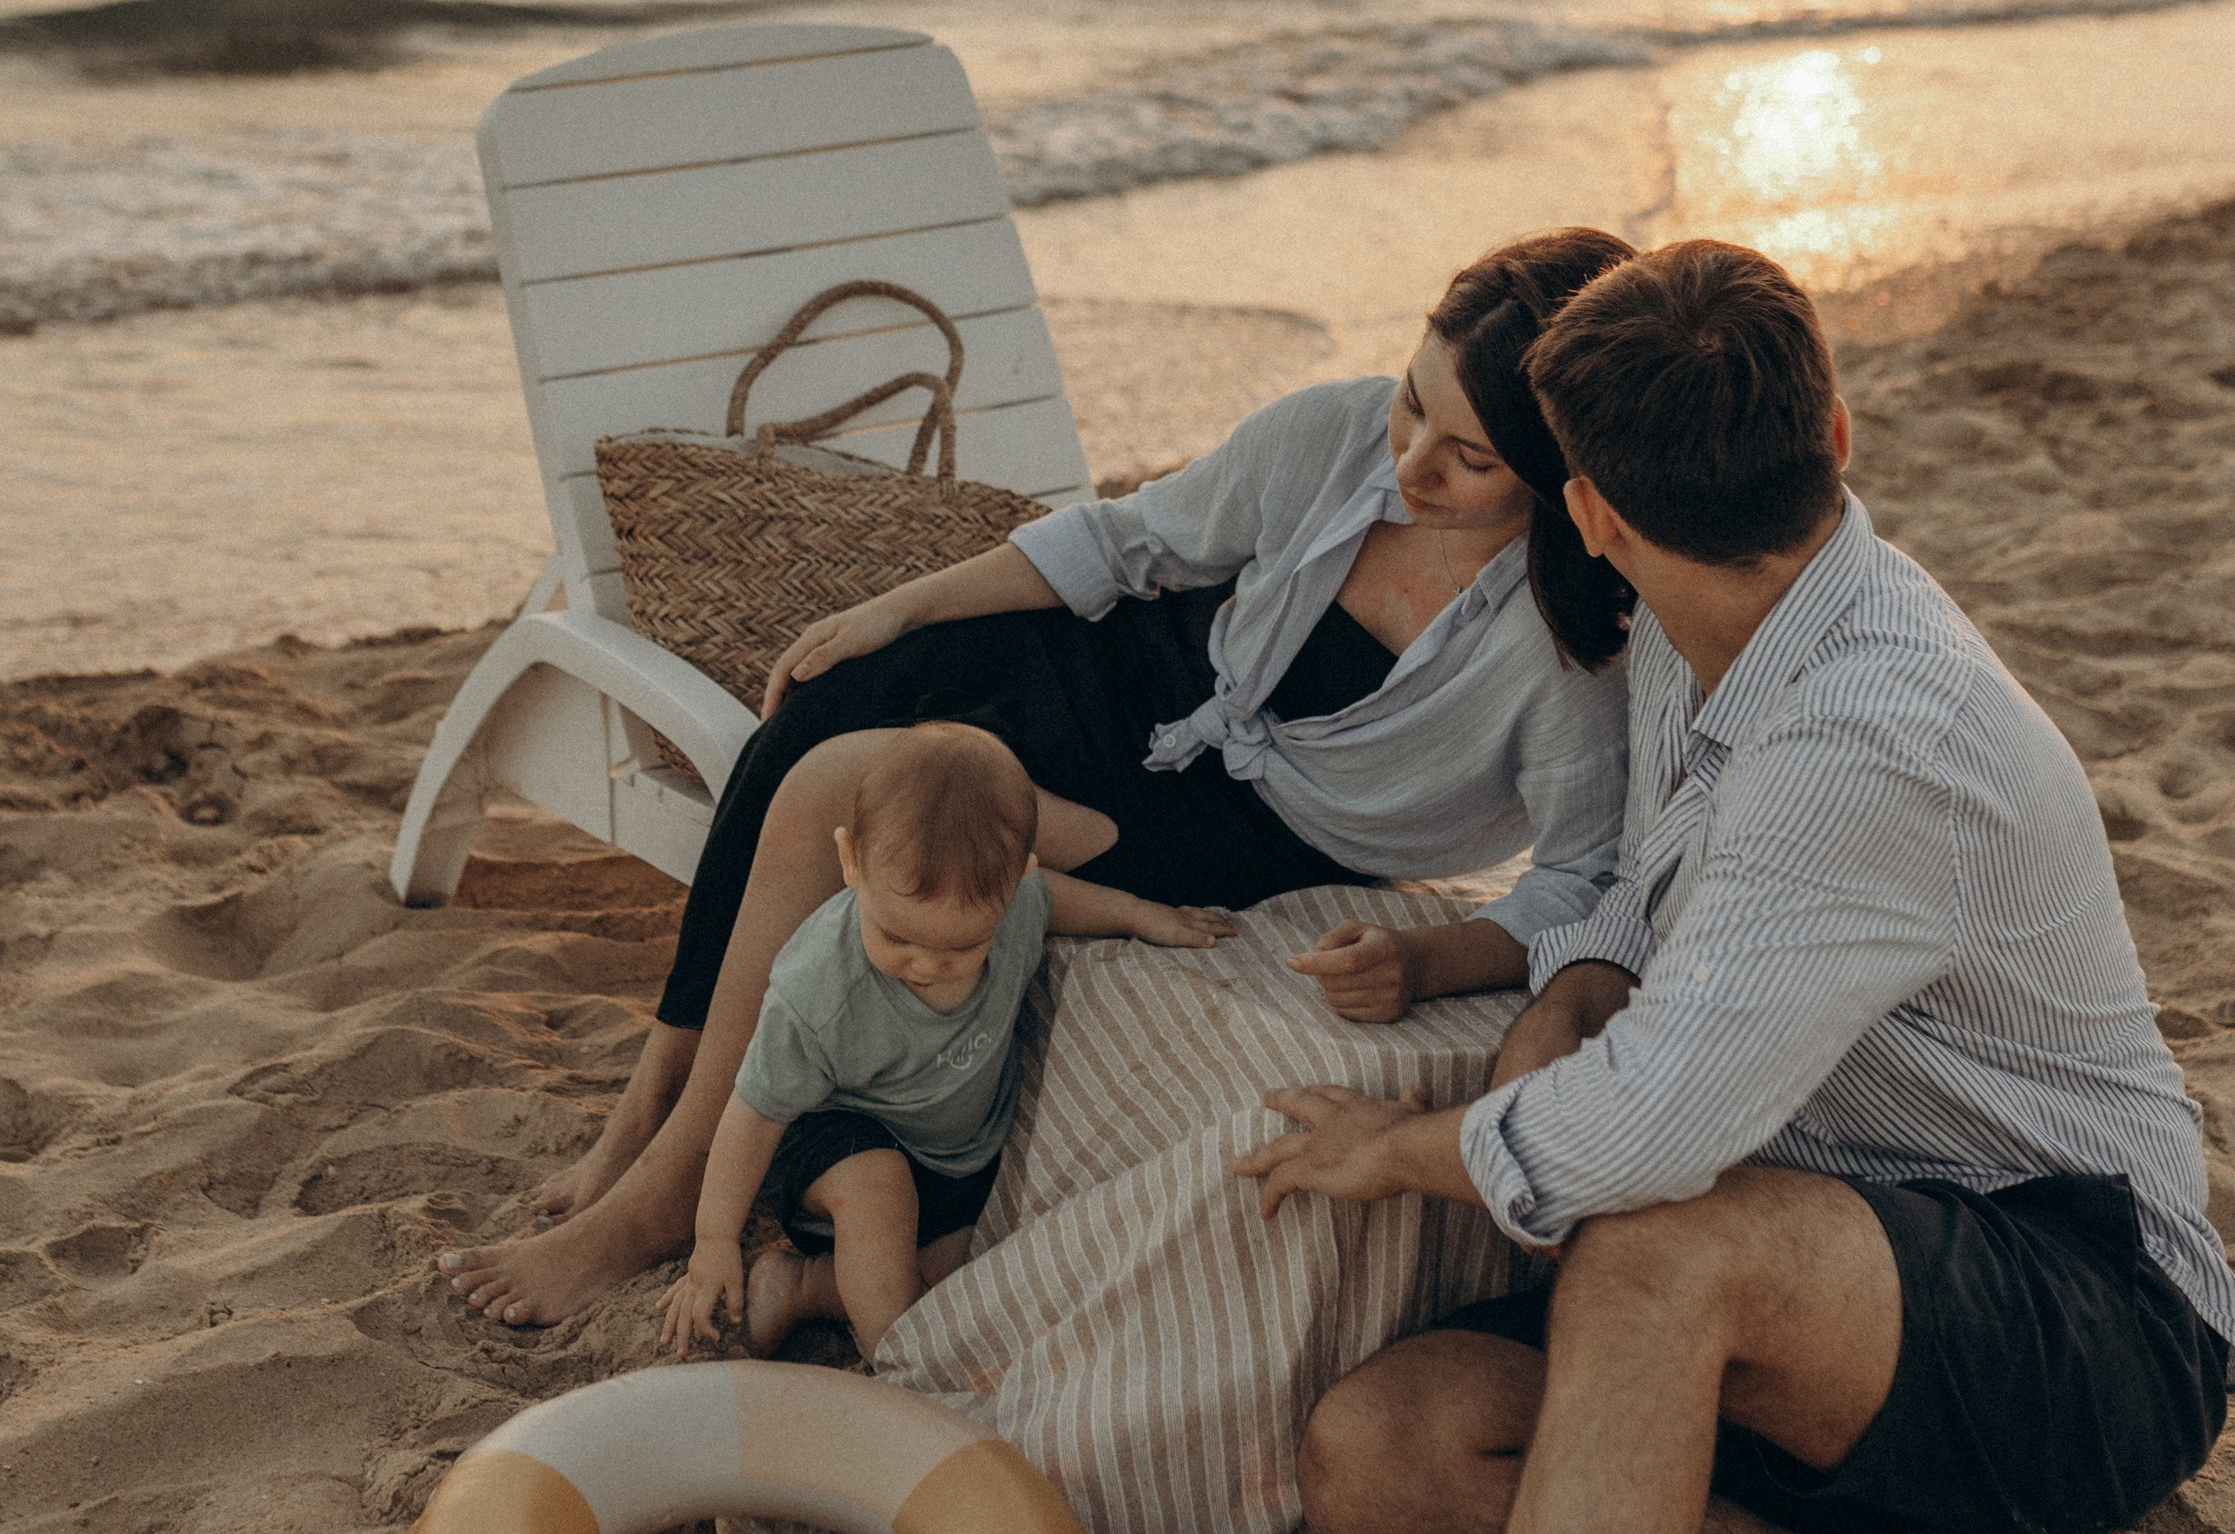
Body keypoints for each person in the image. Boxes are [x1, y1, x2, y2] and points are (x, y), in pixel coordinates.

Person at [1079, 237, 2232, 1534]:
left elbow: (1642, 1140)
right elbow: (1618, 891)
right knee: (1382, 1463)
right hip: (1847, 1290)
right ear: (1831, 437)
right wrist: (1563, 986)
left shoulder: (1866, 737)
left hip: (2076, 1311)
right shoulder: (1710, 631)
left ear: (1589, 514)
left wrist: (1410, 1149)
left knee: (1651, 1248)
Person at [441, 229, 1639, 1330]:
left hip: (1239, 830)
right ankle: (650, 1115)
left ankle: (661, 1193)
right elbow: (1126, 543)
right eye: (1410, 406)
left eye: (1469, 458)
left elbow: (1584, 879)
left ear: (1558, 475)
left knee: (841, 784)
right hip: (1134, 677)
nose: (1411, 466)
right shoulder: (1331, 433)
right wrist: (891, 607)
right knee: (838, 691)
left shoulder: (1564, 659)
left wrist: (1432, 960)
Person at [658, 720, 1236, 1362]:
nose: (926, 965)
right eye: (898, 938)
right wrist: (713, 1238)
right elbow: (755, 1113)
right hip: (836, 1138)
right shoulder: (820, 989)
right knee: (880, 1196)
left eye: (960, 947)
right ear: (850, 860)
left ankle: (800, 1288)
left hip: (957, 1158)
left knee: (958, 1287)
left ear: (1017, 880)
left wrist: (1139, 913)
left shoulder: (1015, 901)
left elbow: (1056, 899)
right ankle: (900, 1367)